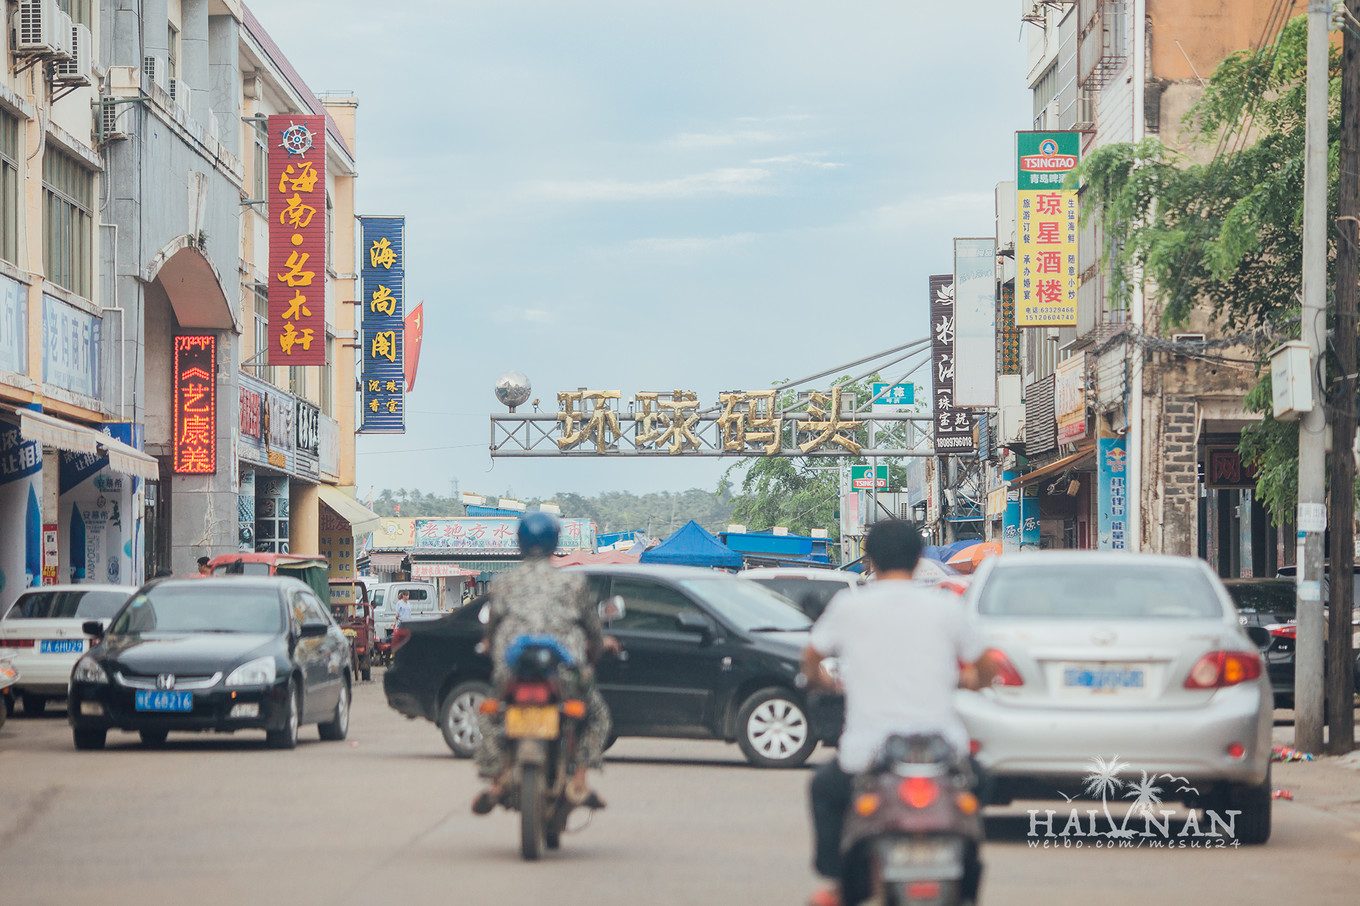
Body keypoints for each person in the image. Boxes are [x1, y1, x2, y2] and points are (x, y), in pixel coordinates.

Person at [800, 520, 995, 906]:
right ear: (919, 557)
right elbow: (985, 665)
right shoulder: (944, 606)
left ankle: (839, 883)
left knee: (823, 789)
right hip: (943, 754)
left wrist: (823, 681)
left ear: (869, 558)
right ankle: (967, 880)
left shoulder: (850, 606)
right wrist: (968, 680)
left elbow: (811, 658)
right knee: (982, 783)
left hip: (868, 755)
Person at [471, 512, 614, 816]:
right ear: (554, 544)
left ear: (520, 544)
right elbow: (592, 628)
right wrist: (599, 650)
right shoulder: (573, 584)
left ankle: (497, 781)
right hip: (564, 673)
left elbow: (493, 628)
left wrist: (488, 645)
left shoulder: (504, 582)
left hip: (513, 673)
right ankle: (578, 780)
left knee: (489, 715)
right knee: (597, 714)